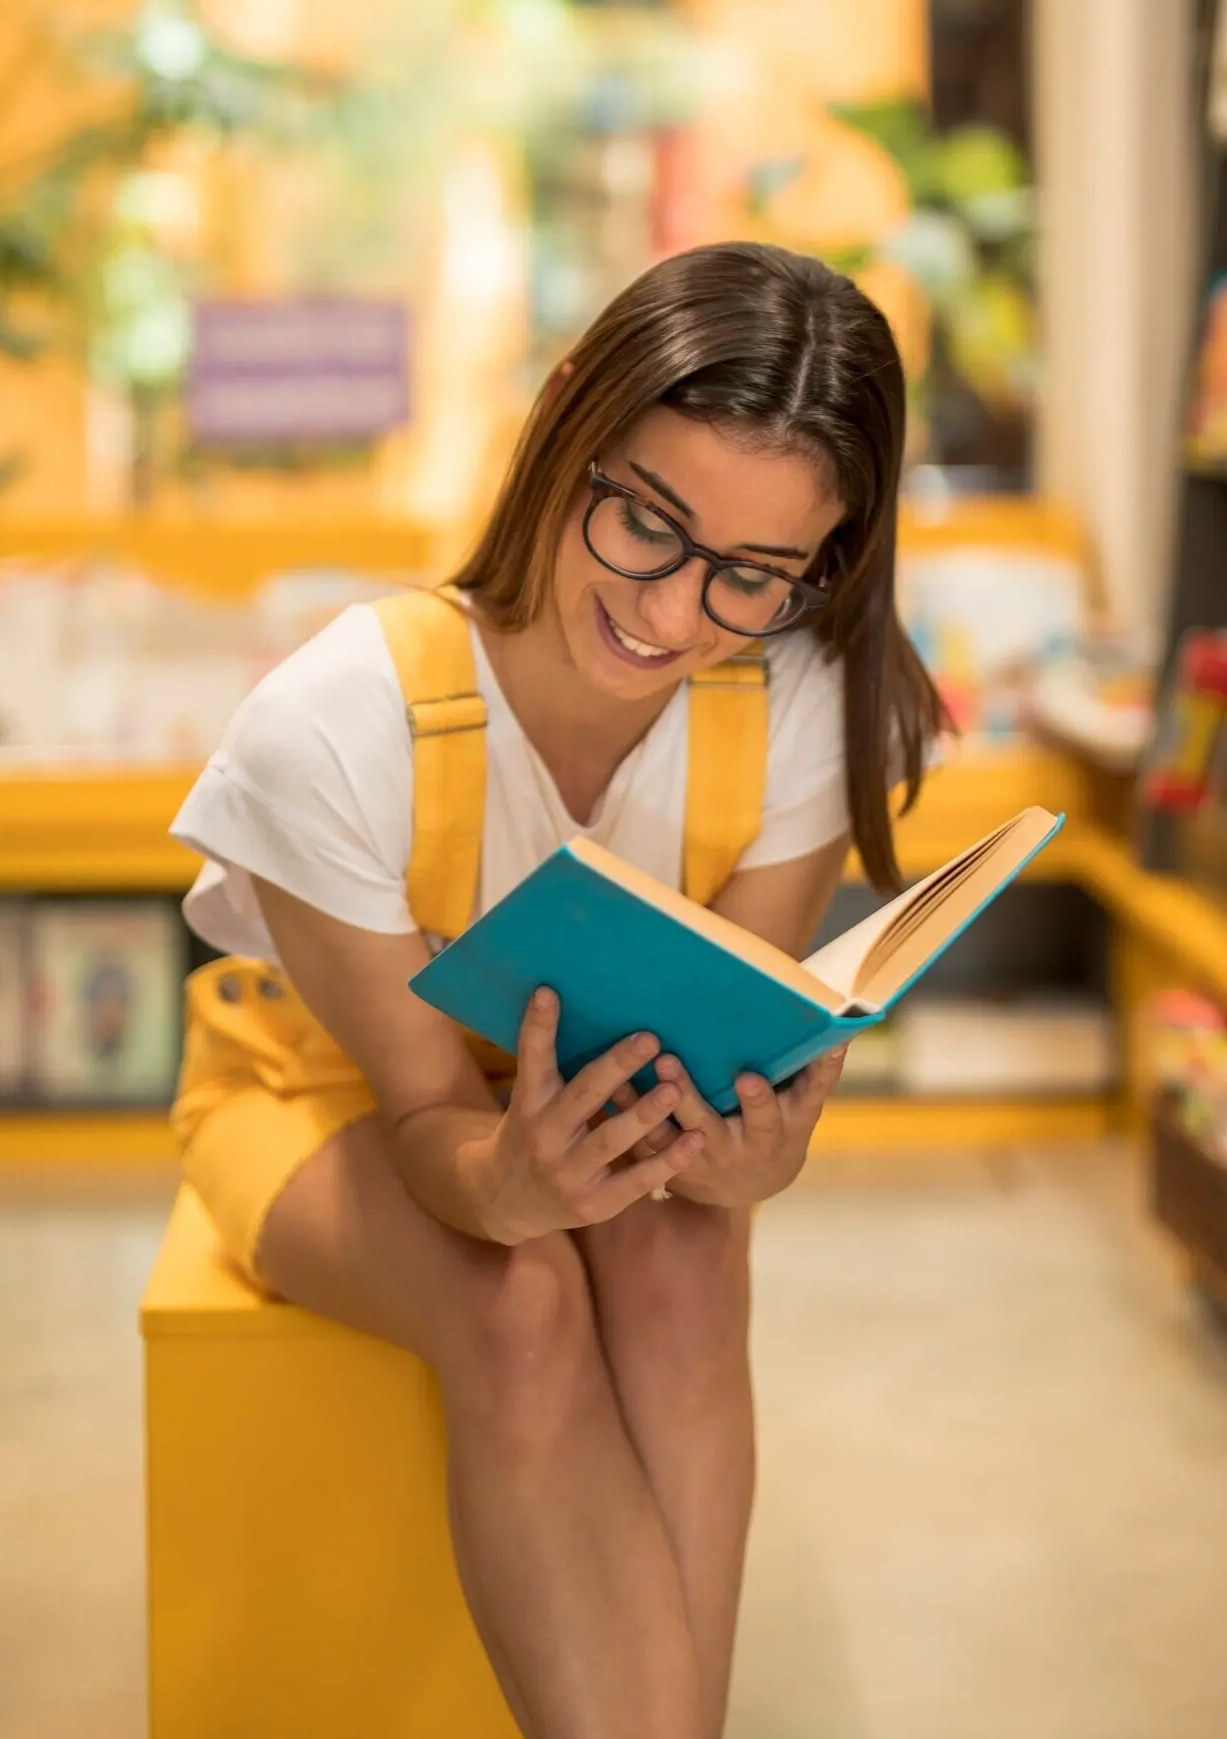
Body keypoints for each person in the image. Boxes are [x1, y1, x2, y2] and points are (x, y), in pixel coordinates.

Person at [170, 241, 943, 1739]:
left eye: (755, 574)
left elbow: (736, 1059)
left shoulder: (789, 697)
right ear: (569, 417)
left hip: (600, 1112)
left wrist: (761, 1151)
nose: (673, 610)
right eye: (649, 522)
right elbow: (419, 1117)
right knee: (516, 1297)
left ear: (824, 565)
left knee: (683, 1253)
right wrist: (514, 1187)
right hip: (326, 1100)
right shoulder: (336, 725)